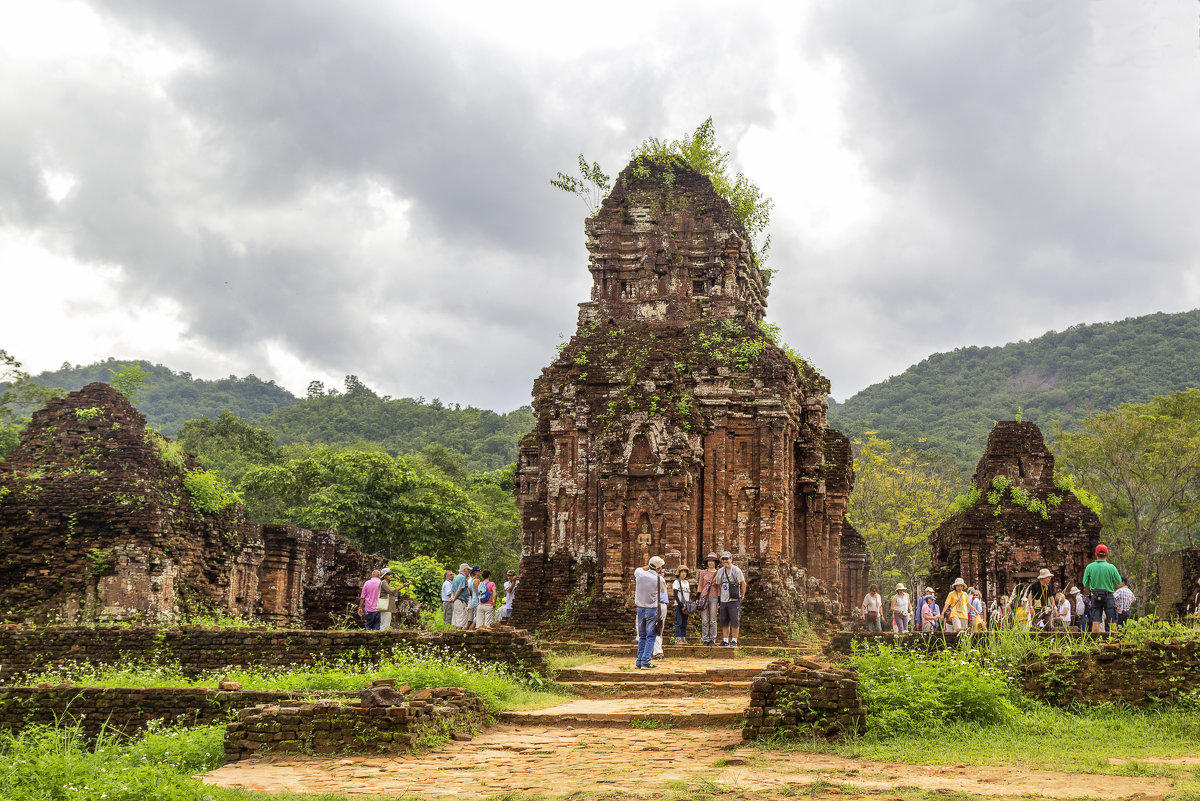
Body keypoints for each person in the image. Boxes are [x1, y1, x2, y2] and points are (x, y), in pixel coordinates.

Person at [634, 556, 666, 669]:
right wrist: (659, 575)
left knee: (642, 636)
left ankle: (639, 661)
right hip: (652, 609)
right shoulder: (659, 579)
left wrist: (650, 566)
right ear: (659, 568)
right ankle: (646, 661)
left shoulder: (639, 574)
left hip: (640, 609)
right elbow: (662, 590)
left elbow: (639, 569)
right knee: (651, 636)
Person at [1082, 544, 1122, 633]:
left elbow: (1085, 583)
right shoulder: (1111, 567)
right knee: (1112, 621)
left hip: (1095, 596)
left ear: (1096, 554)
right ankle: (1113, 642)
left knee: (1095, 621)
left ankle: (1095, 643)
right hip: (1108, 595)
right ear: (1107, 555)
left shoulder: (1090, 567)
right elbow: (1119, 582)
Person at [716, 551, 746, 647]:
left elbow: (743, 583)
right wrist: (722, 596)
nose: (725, 561)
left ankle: (734, 640)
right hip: (724, 600)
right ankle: (725, 640)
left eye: (727, 559)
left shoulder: (736, 570)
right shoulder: (720, 571)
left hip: (734, 600)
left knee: (735, 620)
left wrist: (742, 595)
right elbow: (719, 584)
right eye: (723, 559)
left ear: (731, 559)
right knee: (724, 621)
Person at [696, 553, 720, 646]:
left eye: (712, 561)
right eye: (709, 561)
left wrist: (719, 600)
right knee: (704, 620)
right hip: (703, 596)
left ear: (715, 563)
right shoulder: (703, 572)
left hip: (714, 597)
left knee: (713, 620)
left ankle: (712, 639)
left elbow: (719, 587)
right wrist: (697, 597)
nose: (710, 563)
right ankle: (705, 638)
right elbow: (700, 585)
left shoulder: (718, 573)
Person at [672, 567, 692, 645]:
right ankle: (678, 639)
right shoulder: (676, 582)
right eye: (682, 572)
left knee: (684, 622)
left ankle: (683, 638)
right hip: (679, 605)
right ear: (679, 573)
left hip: (686, 605)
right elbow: (675, 595)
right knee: (679, 622)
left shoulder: (687, 582)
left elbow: (688, 594)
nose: (683, 573)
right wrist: (680, 604)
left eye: (685, 572)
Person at [450, 563, 471, 629]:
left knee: (456, 620)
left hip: (456, 601)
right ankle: (459, 636)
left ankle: (454, 635)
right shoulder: (462, 578)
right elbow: (459, 590)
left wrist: (452, 598)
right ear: (464, 570)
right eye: (468, 570)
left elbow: (453, 590)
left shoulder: (456, 578)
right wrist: (454, 598)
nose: (469, 572)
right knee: (461, 621)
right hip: (460, 600)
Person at [466, 566, 481, 631]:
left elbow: (470, 590)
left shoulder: (471, 580)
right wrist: (480, 599)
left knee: (475, 617)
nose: (479, 572)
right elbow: (478, 592)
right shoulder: (476, 580)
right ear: (475, 572)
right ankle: (470, 630)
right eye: (478, 571)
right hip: (476, 600)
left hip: (473, 600)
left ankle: (469, 630)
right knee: (477, 617)